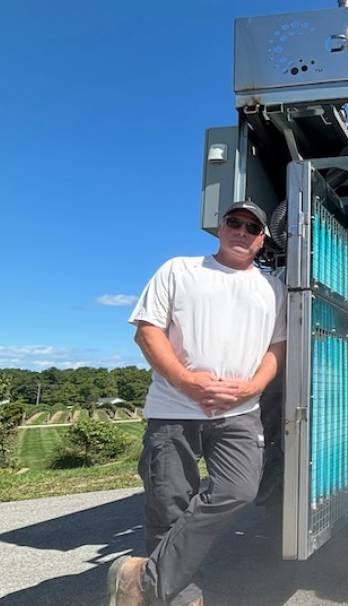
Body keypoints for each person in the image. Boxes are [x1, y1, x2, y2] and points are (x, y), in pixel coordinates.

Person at [107, 201, 287, 606]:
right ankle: (181, 596)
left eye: (252, 228)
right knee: (169, 503)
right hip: (174, 409)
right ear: (219, 229)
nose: (242, 232)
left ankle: (145, 579)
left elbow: (278, 347)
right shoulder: (179, 270)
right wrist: (186, 381)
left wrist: (251, 387)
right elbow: (147, 332)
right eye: (234, 223)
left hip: (240, 412)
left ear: (262, 240)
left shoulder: (271, 288)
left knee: (238, 491)